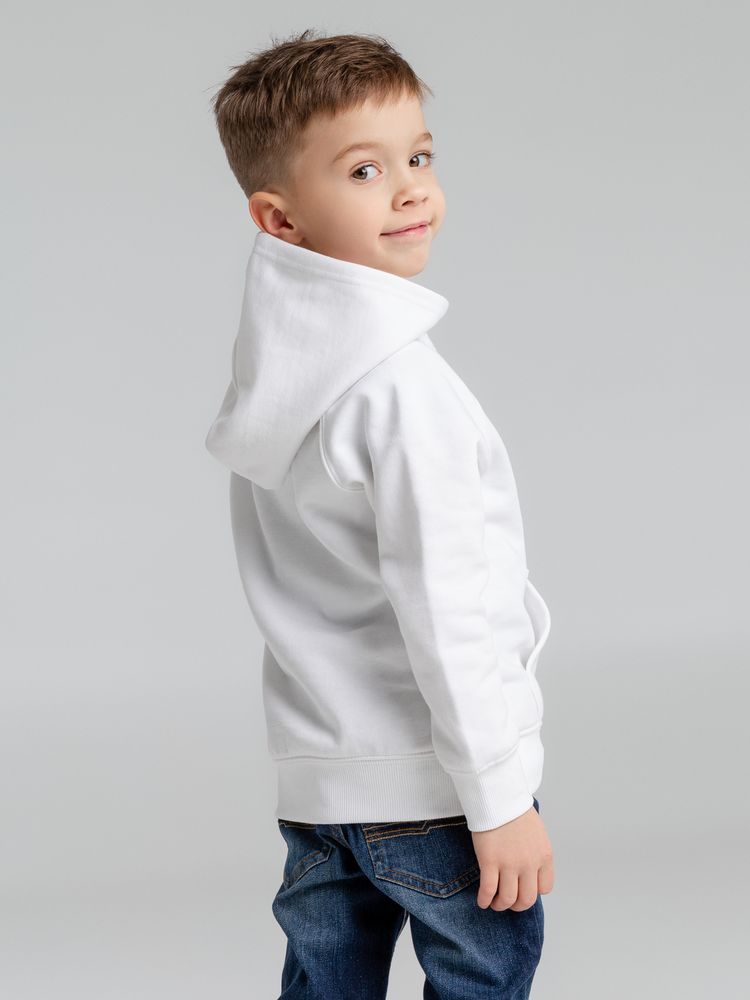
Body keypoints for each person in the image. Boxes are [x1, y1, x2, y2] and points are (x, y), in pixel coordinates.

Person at [205, 28, 555, 1000]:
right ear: (279, 218)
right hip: (434, 782)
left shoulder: (276, 374)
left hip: (321, 780)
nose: (409, 190)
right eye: (365, 169)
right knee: (482, 975)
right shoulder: (400, 389)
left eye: (420, 157)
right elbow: (450, 606)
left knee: (325, 983)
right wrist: (497, 796)